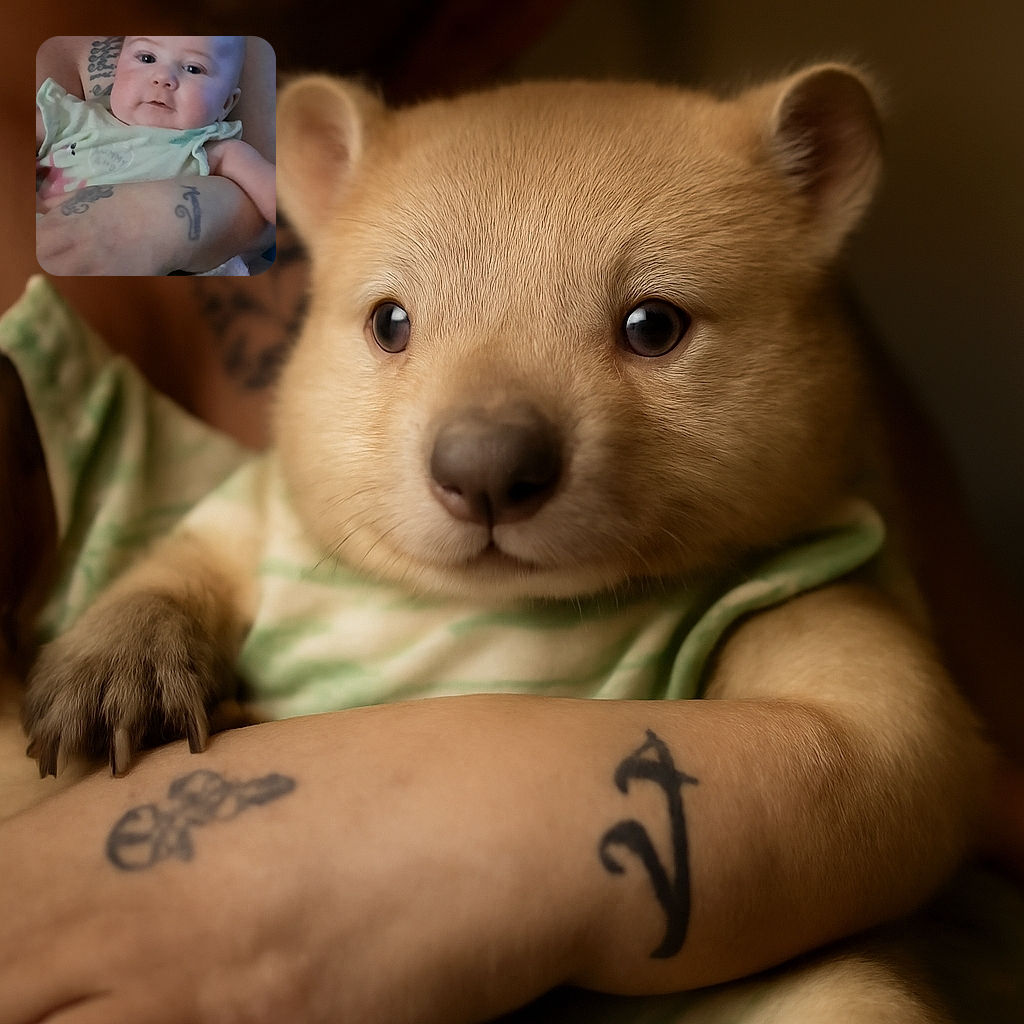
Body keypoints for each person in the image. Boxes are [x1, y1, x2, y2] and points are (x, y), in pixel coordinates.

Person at [0, 8, 1021, 1024]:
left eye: (651, 328)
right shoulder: (146, 131)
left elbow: (952, 775)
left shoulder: (219, 121)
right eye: (392, 326)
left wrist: (488, 832)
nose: (483, 457)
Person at [36, 35, 274, 276]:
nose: (163, 78)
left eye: (193, 68)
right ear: (116, 71)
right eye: (147, 58)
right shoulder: (75, 118)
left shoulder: (213, 149)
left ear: (226, 104)